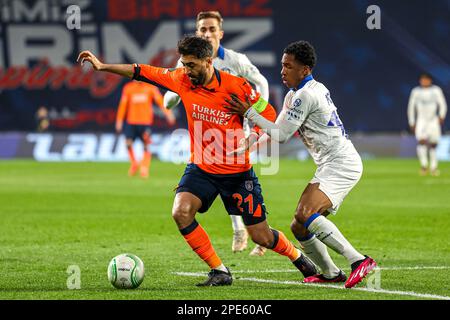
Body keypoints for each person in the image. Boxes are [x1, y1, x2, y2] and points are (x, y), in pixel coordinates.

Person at [77, 35, 318, 286]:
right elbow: (141, 71)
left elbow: (267, 111)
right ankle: (219, 271)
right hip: (201, 168)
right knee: (181, 212)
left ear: (208, 61)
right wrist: (103, 66)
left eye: (191, 65)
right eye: (183, 63)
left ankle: (298, 257)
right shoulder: (180, 78)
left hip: (237, 173)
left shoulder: (237, 86)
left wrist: (253, 136)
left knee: (261, 237)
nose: (186, 70)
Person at [225, 40, 377, 288]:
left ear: (305, 69)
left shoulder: (305, 95)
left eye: (289, 66)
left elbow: (282, 135)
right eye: (282, 65)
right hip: (330, 163)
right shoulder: (296, 93)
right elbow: (278, 128)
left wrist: (249, 113)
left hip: (341, 163)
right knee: (299, 226)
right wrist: (252, 139)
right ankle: (330, 273)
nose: (282, 71)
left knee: (304, 214)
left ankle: (359, 261)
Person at [164, 11, 269, 256]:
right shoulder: (187, 62)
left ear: (220, 33)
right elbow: (170, 97)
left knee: (237, 186)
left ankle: (256, 234)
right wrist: (172, 96)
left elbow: (261, 82)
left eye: (212, 29)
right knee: (225, 185)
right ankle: (243, 231)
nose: (207, 33)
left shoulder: (236, 60)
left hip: (236, 135)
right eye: (202, 29)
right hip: (205, 134)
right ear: (197, 32)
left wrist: (255, 118)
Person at [116, 80, 176, 178]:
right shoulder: (128, 88)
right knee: (128, 143)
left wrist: (168, 113)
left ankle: (144, 168)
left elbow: (160, 101)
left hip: (145, 122)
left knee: (146, 145)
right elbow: (123, 105)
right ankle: (134, 163)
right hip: (131, 121)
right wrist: (119, 120)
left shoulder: (150, 87)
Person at [407, 73, 447, 176]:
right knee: (421, 142)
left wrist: (441, 116)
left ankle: (433, 167)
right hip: (421, 121)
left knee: (433, 144)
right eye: (422, 80)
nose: (424, 82)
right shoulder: (416, 92)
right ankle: (424, 166)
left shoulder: (436, 90)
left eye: (426, 80)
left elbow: (442, 104)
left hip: (433, 120)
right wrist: (412, 121)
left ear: (430, 80)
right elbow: (411, 107)